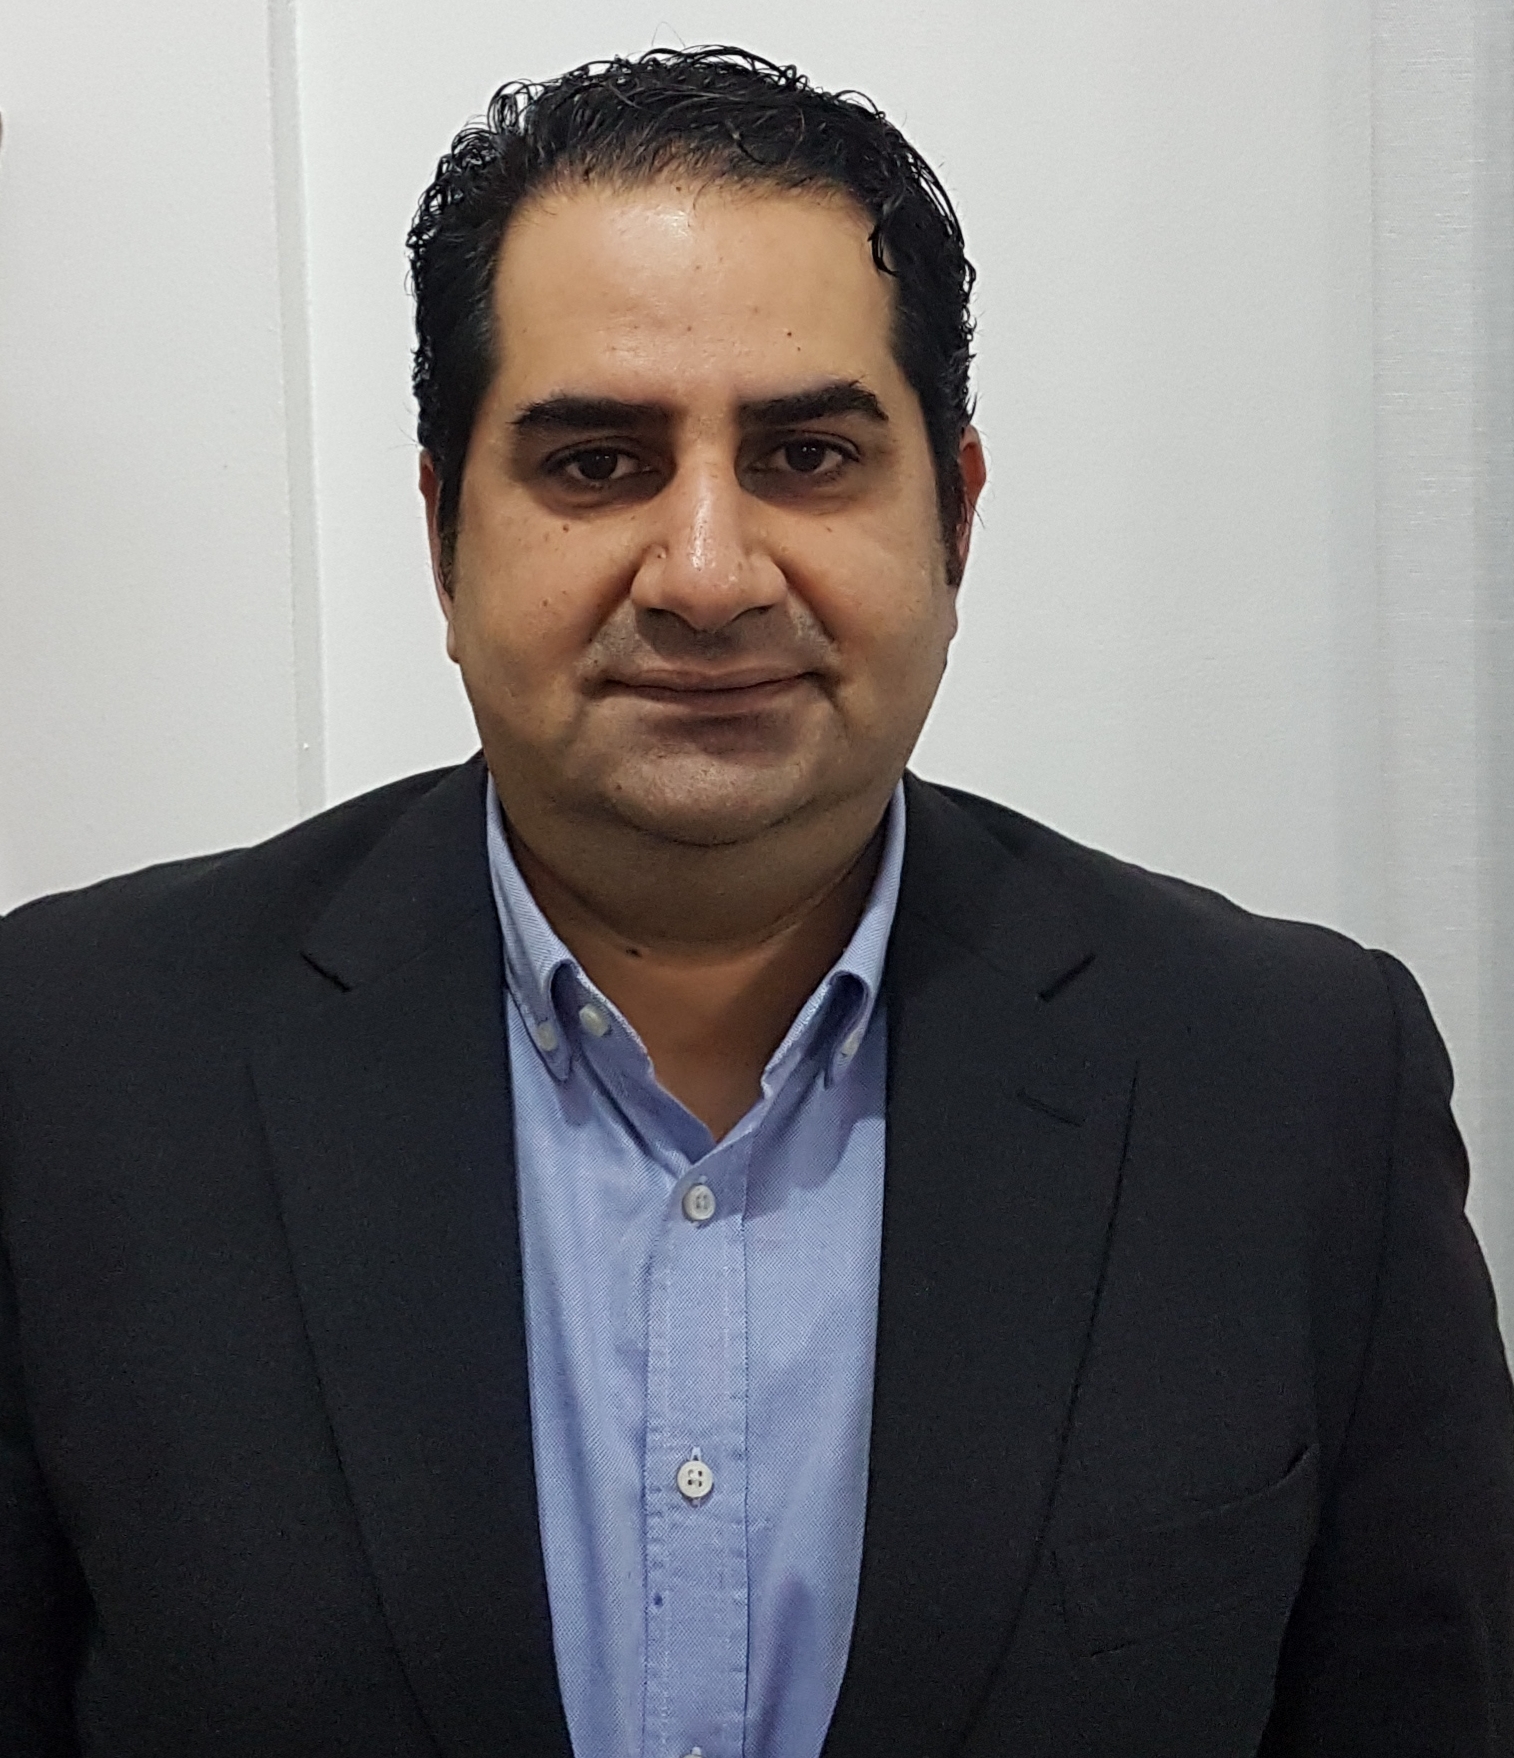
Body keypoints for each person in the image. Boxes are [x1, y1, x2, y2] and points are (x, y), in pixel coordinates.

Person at [1, 45, 1510, 1758]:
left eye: (805, 454)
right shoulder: (69, 1071)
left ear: (954, 520)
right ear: (442, 537)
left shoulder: (1294, 1086)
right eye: (595, 463)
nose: (707, 574)